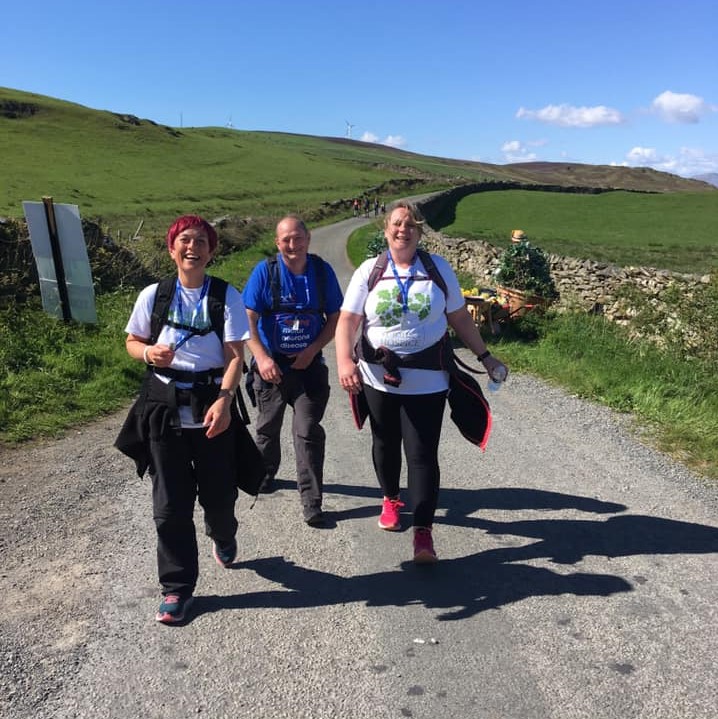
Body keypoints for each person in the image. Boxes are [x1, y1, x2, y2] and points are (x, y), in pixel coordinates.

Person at [335, 202, 508, 563]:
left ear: (419, 232)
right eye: (398, 224)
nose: (404, 229)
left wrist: (485, 356)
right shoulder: (371, 270)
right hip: (376, 378)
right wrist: (343, 361)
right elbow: (348, 319)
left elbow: (459, 317)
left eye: (411, 224)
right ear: (386, 230)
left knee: (422, 454)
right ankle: (391, 499)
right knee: (384, 441)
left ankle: (424, 533)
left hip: (428, 381)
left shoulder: (437, 269)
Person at [115, 214, 249, 624]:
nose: (193, 247)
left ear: (211, 251)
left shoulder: (227, 296)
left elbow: (235, 357)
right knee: (169, 506)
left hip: (212, 406)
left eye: (201, 241)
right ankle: (177, 588)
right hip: (163, 410)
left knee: (219, 498)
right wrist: (148, 353)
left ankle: (223, 533)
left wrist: (225, 401)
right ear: (172, 249)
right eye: (185, 240)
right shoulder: (153, 295)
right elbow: (132, 342)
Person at [243, 214, 343, 526]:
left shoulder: (322, 272)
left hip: (309, 368)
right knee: (267, 428)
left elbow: (336, 317)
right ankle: (264, 473)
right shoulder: (265, 272)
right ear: (277, 243)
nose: (292, 244)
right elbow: (248, 318)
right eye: (285, 239)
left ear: (307, 239)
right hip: (272, 368)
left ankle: (311, 501)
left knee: (308, 431)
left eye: (297, 237)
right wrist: (261, 357)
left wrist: (313, 350)